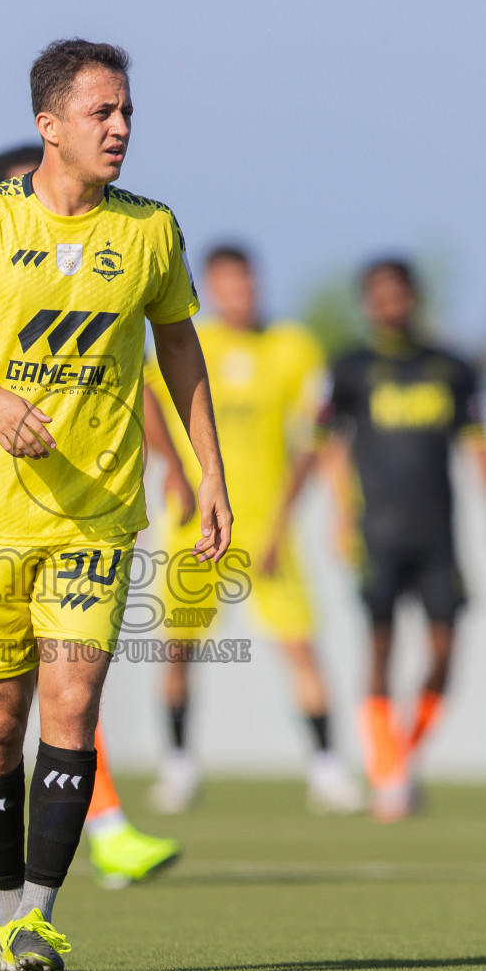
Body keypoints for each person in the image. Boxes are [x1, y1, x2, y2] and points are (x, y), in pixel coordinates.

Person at [0, 39, 231, 971]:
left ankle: (39, 917)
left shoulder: (152, 231)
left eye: (127, 112)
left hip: (97, 518)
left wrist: (212, 474)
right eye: (101, 113)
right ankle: (6, 910)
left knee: (74, 703)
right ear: (50, 126)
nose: (121, 128)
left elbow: (180, 354)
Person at [0, 144, 180, 893]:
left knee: (68, 698)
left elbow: (150, 366)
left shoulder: (131, 244)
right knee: (0, 713)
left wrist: (185, 466)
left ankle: (78, 859)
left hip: (89, 523)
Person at [141, 245, 360, 815]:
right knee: (178, 650)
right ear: (212, 290)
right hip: (195, 529)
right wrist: (161, 472)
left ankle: (327, 767)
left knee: (301, 646)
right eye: (230, 286)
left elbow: (322, 437)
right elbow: (141, 404)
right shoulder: (191, 343)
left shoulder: (293, 349)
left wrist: (341, 510)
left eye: (249, 283)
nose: (243, 294)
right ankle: (179, 765)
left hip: (267, 531)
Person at [310, 257, 486, 821]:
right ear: (366, 303)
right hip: (377, 532)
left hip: (437, 535)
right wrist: (326, 514)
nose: (388, 303)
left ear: (414, 298)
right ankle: (387, 770)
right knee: (379, 646)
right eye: (377, 294)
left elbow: (479, 440)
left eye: (397, 293)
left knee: (446, 651)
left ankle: (402, 753)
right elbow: (318, 443)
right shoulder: (349, 368)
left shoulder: (452, 368)